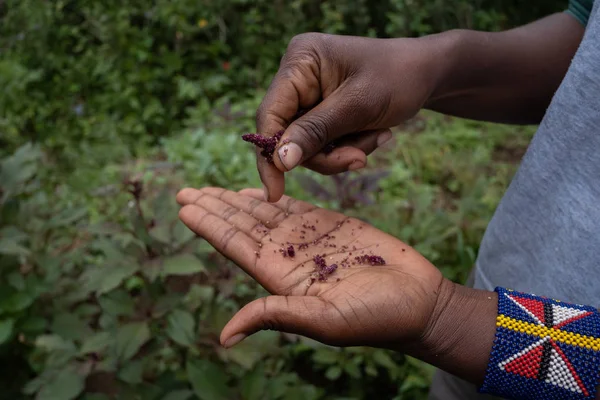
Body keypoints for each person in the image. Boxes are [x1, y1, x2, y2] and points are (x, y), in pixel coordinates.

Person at [177, 0, 600, 398]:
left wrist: (449, 320)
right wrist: (433, 63)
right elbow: (587, 45)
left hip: (489, 340)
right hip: (489, 303)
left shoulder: (453, 322)